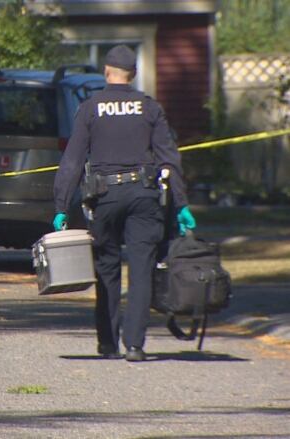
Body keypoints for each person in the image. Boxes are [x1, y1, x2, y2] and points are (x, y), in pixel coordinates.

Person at [52, 45, 197, 361]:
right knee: (142, 269)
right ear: (133, 74)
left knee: (107, 268)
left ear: (107, 71)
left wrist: (62, 206)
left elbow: (72, 161)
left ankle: (107, 343)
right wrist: (182, 203)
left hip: (105, 197)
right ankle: (135, 345)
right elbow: (168, 160)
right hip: (145, 196)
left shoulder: (90, 108)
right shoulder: (149, 108)